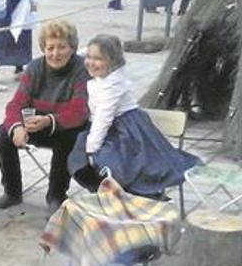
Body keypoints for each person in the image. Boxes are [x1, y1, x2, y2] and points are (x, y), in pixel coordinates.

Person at [68, 35, 201, 196]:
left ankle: (139, 196)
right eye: (89, 57)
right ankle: (105, 193)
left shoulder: (113, 84)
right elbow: (86, 54)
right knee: (76, 158)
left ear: (112, 61)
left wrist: (92, 147)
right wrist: (76, 53)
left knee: (117, 164)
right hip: (107, 127)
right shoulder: (101, 73)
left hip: (126, 129)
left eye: (98, 59)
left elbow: (104, 117)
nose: (90, 62)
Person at [0, 20, 89, 214]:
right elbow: (16, 104)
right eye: (50, 47)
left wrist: (49, 121)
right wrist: (17, 126)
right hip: (37, 122)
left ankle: (56, 195)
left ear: (72, 48)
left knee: (69, 140)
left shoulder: (81, 70)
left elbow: (79, 112)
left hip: (64, 124)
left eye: (62, 47)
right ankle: (12, 191)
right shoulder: (35, 67)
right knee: (2, 134)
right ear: (43, 48)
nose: (55, 53)